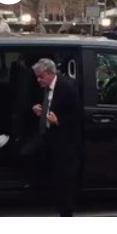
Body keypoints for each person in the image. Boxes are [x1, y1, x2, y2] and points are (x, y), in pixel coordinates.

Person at [30, 59, 82, 217]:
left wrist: (59, 121)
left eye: (41, 76)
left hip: (64, 141)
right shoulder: (45, 88)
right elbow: (49, 104)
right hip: (48, 137)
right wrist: (40, 109)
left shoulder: (67, 88)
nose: (38, 80)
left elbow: (77, 116)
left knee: (64, 178)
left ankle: (66, 212)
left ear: (50, 73)